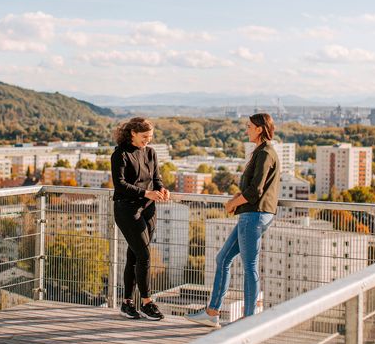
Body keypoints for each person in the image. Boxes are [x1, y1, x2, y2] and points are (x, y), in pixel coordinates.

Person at [186, 113, 280, 328]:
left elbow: (255, 190)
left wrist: (233, 203)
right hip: (253, 215)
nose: (246, 129)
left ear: (259, 128)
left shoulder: (265, 153)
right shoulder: (262, 152)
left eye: (249, 126)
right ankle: (212, 312)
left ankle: (249, 319)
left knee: (250, 266)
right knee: (223, 259)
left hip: (254, 215)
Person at [111, 117, 170, 321]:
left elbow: (156, 178)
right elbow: (120, 185)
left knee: (134, 256)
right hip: (127, 209)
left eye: (150, 137)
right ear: (133, 134)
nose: (148, 140)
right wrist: (146, 193)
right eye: (145, 137)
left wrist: (161, 189)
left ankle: (127, 303)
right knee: (144, 255)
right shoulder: (120, 154)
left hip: (148, 209)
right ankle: (146, 302)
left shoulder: (151, 152)